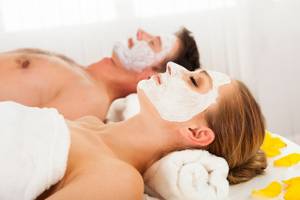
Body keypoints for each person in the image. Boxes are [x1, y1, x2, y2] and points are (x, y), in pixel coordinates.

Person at [0, 62, 267, 199]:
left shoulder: (119, 180)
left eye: (194, 80)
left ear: (196, 133)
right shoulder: (90, 123)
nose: (174, 67)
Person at [0, 27, 200, 120]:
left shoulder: (90, 99)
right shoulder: (79, 72)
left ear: (149, 75)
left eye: (151, 42)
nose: (140, 33)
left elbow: (22, 143)